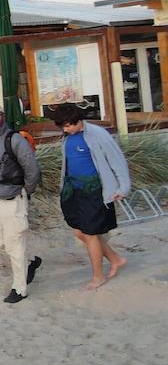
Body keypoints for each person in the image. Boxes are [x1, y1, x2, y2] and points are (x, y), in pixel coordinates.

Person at [51, 103, 130, 290]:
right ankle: (116, 259)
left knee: (90, 234)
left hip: (94, 190)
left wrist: (124, 187)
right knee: (79, 232)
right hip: (73, 190)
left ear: (78, 120)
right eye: (63, 126)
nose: (65, 129)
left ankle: (98, 276)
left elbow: (117, 160)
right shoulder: (67, 136)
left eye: (68, 125)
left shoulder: (98, 134)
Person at [0, 103, 43, 303]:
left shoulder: (14, 139)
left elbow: (32, 169)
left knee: (14, 242)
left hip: (12, 196)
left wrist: (25, 192)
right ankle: (28, 262)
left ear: (2, 116)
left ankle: (20, 288)